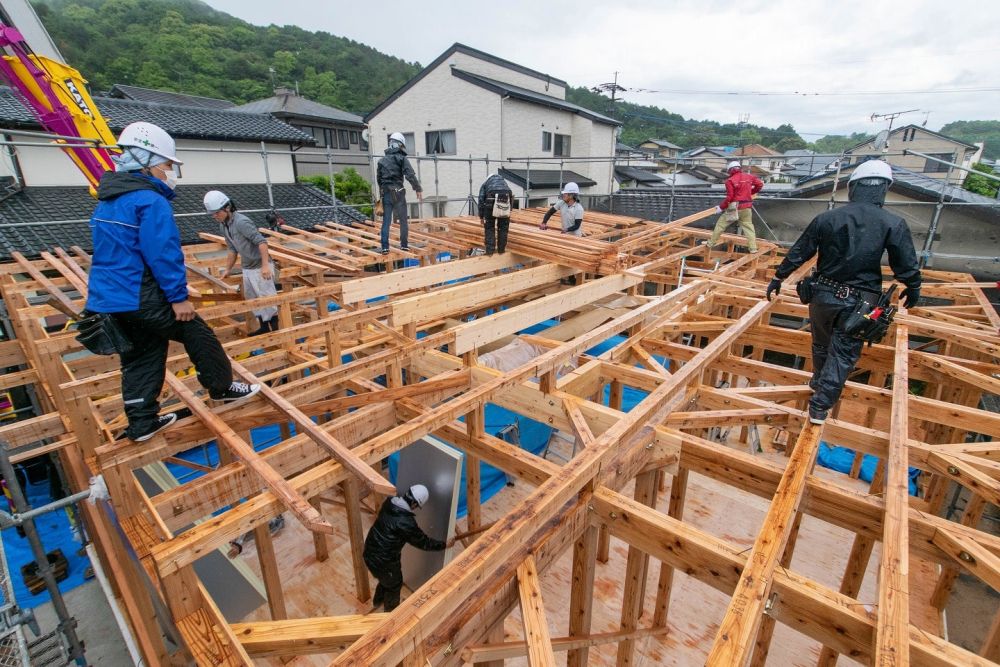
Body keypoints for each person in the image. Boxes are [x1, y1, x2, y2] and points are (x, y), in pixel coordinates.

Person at [86, 122, 260, 442]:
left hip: (111, 297)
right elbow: (162, 252)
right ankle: (221, 388)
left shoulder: (108, 200)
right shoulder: (148, 200)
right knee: (197, 333)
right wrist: (178, 297)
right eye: (167, 165)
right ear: (147, 161)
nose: (170, 171)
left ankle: (142, 422)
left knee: (144, 351)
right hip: (142, 291)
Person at [764, 159, 921, 425]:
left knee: (821, 344)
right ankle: (820, 407)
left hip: (823, 296)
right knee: (844, 353)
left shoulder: (827, 218)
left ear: (853, 188)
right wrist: (914, 284)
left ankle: (819, 383)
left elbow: (801, 251)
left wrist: (779, 276)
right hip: (861, 303)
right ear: (883, 189)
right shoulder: (892, 223)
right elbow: (904, 262)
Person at [363, 484, 451, 611]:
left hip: (369, 551)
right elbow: (424, 542)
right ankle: (390, 617)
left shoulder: (390, 503)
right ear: (415, 504)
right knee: (394, 584)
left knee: (386, 579)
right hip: (383, 561)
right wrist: (444, 545)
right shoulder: (406, 523)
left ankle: (378, 602)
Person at [203, 190, 279, 336]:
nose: (214, 216)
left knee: (267, 298)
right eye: (212, 214)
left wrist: (265, 266)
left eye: (216, 213)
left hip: (260, 266)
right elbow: (232, 249)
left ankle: (275, 330)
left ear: (227, 208)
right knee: (253, 298)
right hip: (247, 267)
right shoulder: (224, 226)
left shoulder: (241, 222)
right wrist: (227, 269)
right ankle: (264, 327)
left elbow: (262, 243)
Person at [376, 132, 423, 255]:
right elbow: (410, 175)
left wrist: (382, 193)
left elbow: (379, 180)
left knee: (386, 221)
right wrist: (417, 189)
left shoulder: (381, 161)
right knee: (403, 220)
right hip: (398, 192)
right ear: (400, 145)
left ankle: (385, 247)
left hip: (386, 193)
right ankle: (404, 245)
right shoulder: (402, 158)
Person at [704, 160, 763, 252]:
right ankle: (753, 248)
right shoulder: (749, 177)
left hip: (735, 207)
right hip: (747, 206)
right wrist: (751, 192)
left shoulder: (730, 181)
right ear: (739, 168)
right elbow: (760, 184)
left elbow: (730, 197)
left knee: (721, 225)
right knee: (749, 227)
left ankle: (711, 243)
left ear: (730, 170)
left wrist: (721, 207)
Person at [477, 172, 514, 255]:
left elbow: (481, 200)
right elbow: (511, 196)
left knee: (489, 227)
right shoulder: (504, 183)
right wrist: (509, 211)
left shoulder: (485, 184)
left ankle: (490, 251)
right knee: (503, 227)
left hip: (490, 202)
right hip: (505, 202)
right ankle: (501, 250)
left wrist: (481, 217)